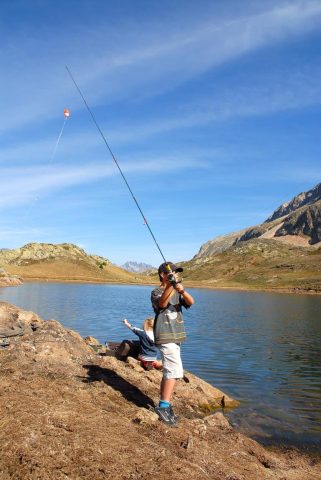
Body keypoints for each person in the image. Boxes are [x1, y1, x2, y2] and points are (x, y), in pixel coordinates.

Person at [151, 261, 194, 426]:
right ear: (163, 275)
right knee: (175, 371)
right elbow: (162, 304)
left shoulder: (176, 291)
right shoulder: (157, 291)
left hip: (176, 336)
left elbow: (191, 302)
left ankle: (165, 404)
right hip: (165, 335)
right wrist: (170, 285)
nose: (177, 275)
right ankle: (163, 407)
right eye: (174, 272)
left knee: (169, 370)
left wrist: (182, 290)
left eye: (177, 273)